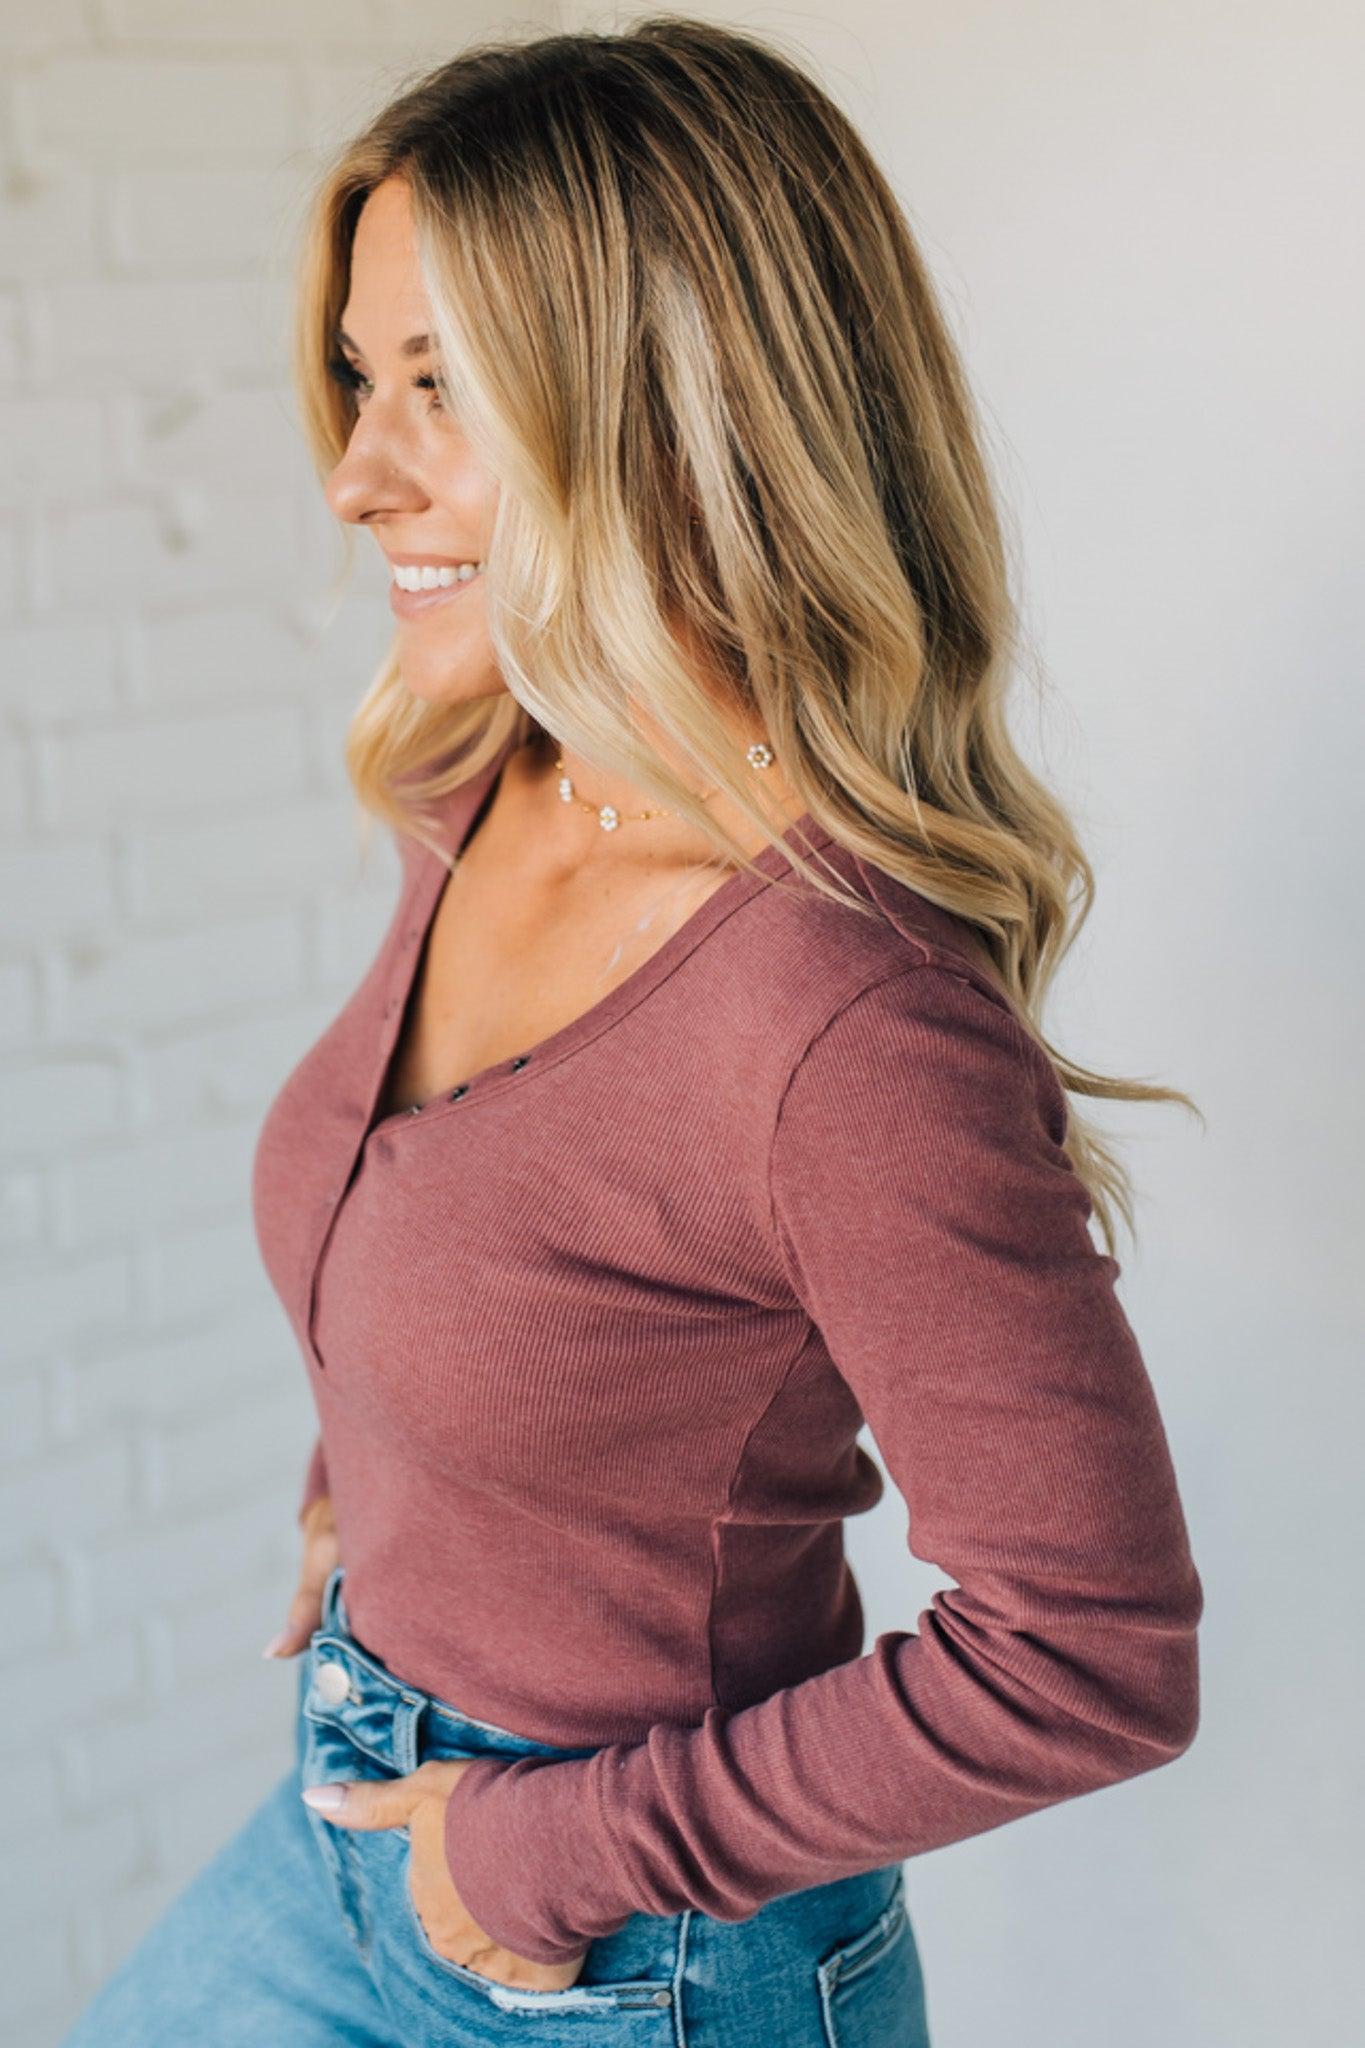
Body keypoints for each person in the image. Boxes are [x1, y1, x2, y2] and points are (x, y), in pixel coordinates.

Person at [61, 18, 1203, 2046]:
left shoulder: (841, 1020)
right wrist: (379, 1478)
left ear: (677, 411)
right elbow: (475, 1214)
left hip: (624, 1951)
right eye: (356, 374)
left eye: (439, 388)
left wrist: (539, 1857)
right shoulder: (488, 770)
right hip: (353, 1816)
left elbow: (1089, 1652)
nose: (353, 474)